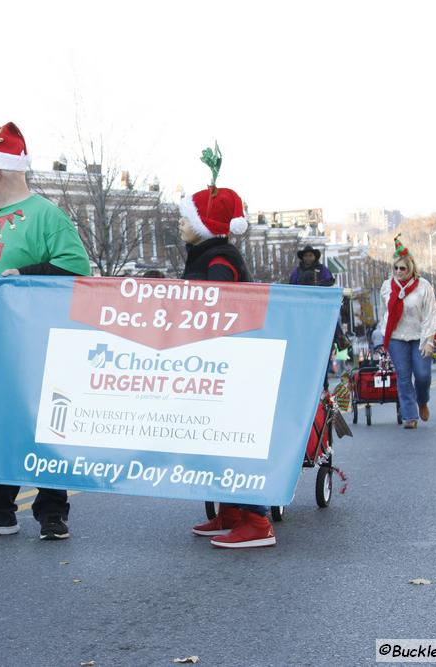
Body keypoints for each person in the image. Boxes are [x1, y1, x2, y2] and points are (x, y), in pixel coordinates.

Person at [0, 121, 91, 541]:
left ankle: (52, 511)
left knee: (41, 426)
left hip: (35, 344)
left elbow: (77, 270)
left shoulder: (46, 216)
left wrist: (25, 273)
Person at [175, 147, 273, 549]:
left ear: (203, 225)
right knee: (215, 440)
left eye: (185, 217)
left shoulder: (219, 259)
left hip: (227, 365)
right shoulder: (207, 253)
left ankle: (257, 519)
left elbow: (220, 308)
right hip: (211, 363)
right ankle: (231, 511)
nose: (180, 223)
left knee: (233, 439)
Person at [377, 235, 436, 430]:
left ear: (410, 268)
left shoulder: (423, 287)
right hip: (396, 337)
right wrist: (382, 332)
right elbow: (384, 312)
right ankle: (410, 416)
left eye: (402, 268)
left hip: (419, 336)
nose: (399, 272)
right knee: (403, 376)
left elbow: (429, 315)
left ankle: (423, 401)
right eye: (395, 268)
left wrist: (429, 340)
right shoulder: (387, 287)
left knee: (422, 375)